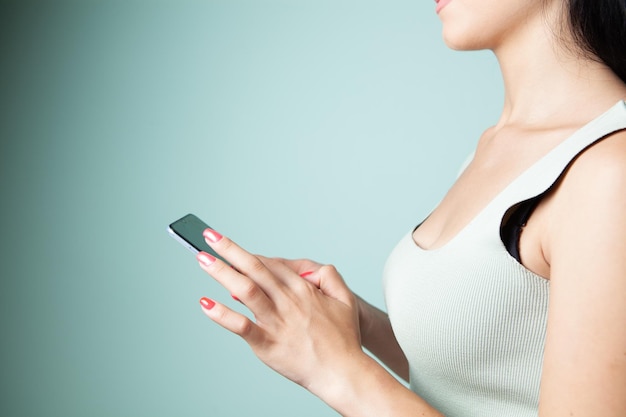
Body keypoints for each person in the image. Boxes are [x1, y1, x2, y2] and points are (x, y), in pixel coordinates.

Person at [192, 0, 626, 415]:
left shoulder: (611, 168)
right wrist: (350, 320)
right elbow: (483, 376)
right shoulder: (495, 146)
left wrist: (335, 369)